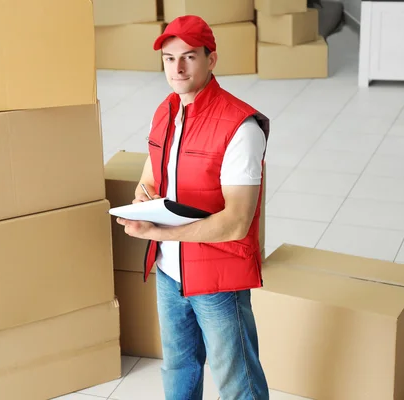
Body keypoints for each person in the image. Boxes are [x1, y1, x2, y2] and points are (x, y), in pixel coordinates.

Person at [115, 15, 270, 400]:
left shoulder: (240, 127)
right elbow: (151, 179)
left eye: (188, 57)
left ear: (211, 59)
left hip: (218, 279)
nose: (177, 68)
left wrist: (160, 232)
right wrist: (141, 206)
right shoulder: (166, 110)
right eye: (169, 59)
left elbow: (236, 222)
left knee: (239, 382)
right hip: (169, 271)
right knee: (179, 368)